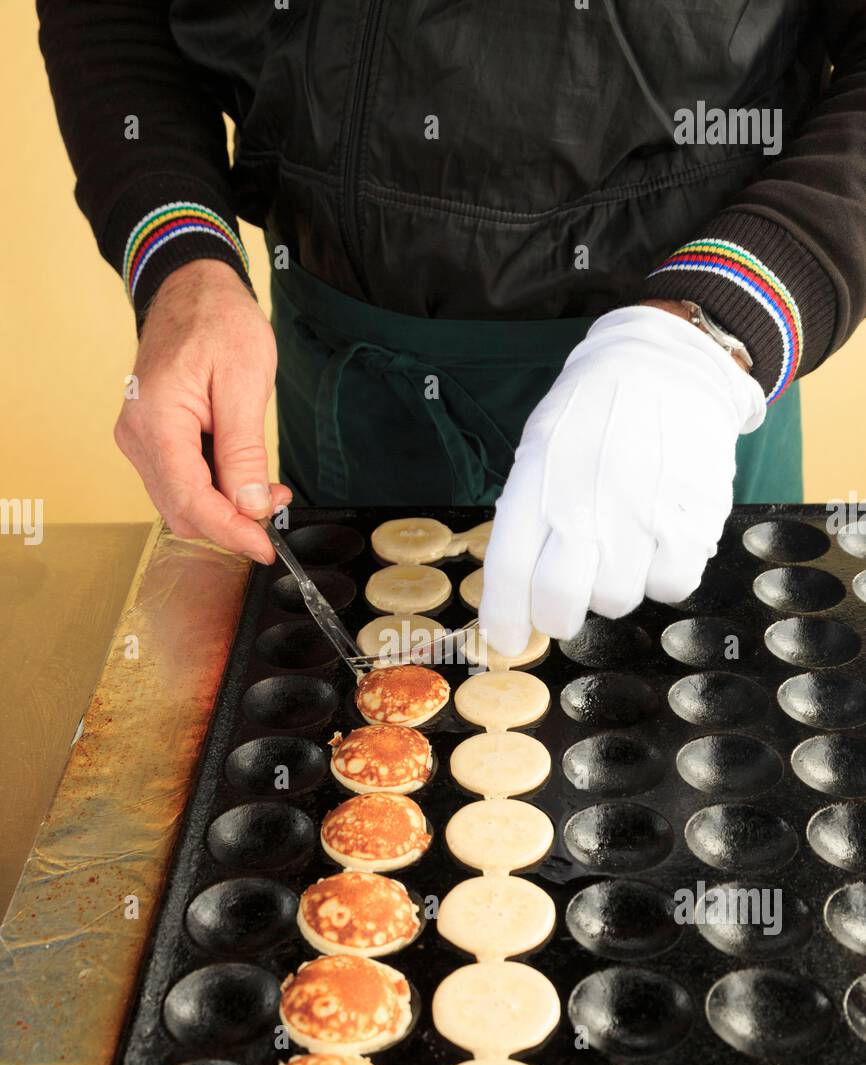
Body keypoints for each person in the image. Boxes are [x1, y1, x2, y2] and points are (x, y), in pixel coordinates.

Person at [38, 2, 866, 654]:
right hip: (347, 386)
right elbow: (112, 14)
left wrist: (719, 324)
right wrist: (181, 256)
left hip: (685, 389)